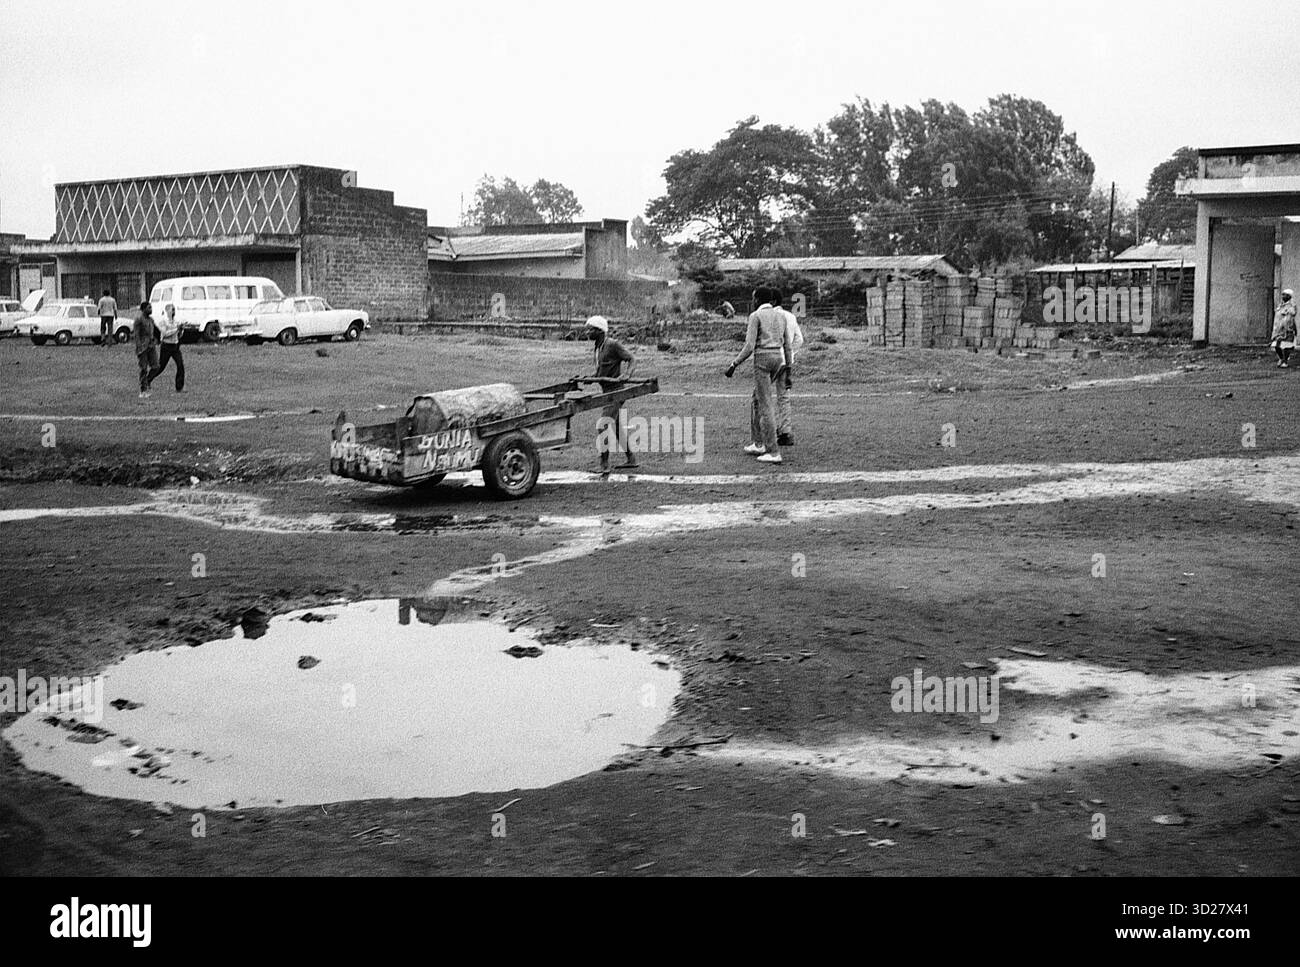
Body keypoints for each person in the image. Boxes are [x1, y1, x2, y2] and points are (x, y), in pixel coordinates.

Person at [725, 285, 792, 463]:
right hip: (779, 359)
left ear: (757, 300)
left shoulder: (755, 316)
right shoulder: (781, 315)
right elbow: (787, 345)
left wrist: (734, 363)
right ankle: (758, 442)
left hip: (762, 360)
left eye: (753, 297)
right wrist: (789, 370)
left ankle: (772, 450)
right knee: (756, 399)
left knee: (765, 405)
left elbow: (749, 346)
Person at [581, 315, 639, 473]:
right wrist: (590, 378)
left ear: (600, 331)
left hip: (616, 392)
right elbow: (601, 371)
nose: (587, 332)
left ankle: (604, 465)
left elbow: (632, 359)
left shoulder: (612, 345)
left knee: (603, 425)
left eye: (591, 329)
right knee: (616, 426)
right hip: (606, 391)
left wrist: (627, 375)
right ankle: (631, 459)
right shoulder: (598, 347)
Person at [148, 302, 186, 392]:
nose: (173, 312)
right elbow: (165, 334)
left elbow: (179, 335)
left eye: (174, 310)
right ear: (167, 311)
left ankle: (179, 387)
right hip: (166, 346)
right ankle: (147, 380)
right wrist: (176, 329)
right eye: (172, 310)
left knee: (180, 366)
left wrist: (181, 330)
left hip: (175, 346)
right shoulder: (163, 322)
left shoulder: (176, 321)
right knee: (160, 367)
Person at [132, 302, 159, 399]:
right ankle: (143, 390)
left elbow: (155, 331)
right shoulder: (139, 319)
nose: (151, 309)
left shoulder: (151, 320)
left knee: (156, 367)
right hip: (143, 347)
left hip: (151, 346)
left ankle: (147, 381)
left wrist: (156, 339)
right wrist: (139, 347)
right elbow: (136, 334)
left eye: (151, 307)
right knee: (143, 368)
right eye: (149, 307)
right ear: (143, 309)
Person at [1271, 289, 1296, 368]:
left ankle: (1285, 361)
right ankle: (1281, 358)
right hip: (1278, 329)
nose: (1283, 296)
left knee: (1286, 345)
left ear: (1289, 296)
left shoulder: (1291, 306)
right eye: (1282, 294)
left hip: (1287, 328)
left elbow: (1291, 316)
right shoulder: (1280, 306)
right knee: (1276, 345)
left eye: (1285, 295)